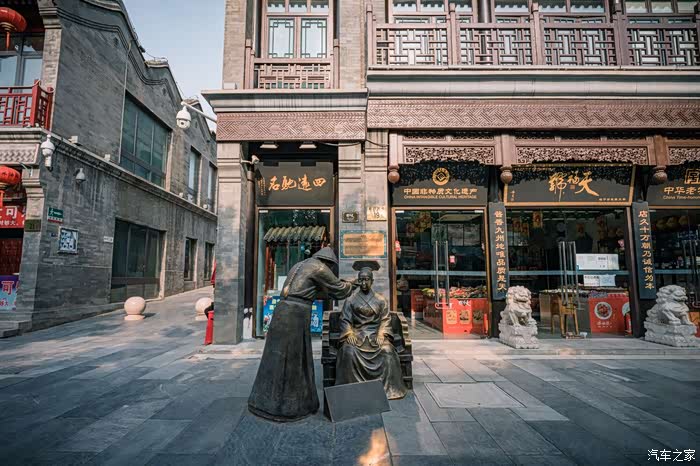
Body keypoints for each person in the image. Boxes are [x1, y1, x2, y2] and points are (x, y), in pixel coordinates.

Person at [248, 247, 355, 422]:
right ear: (329, 263)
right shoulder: (319, 268)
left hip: (281, 310)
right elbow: (340, 290)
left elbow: (316, 291)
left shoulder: (300, 264)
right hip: (295, 314)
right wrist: (352, 283)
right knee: (293, 359)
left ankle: (262, 402)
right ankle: (287, 408)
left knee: (274, 357)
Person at [335, 268, 407, 400]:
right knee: (348, 351)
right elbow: (345, 319)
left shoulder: (381, 299)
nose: (363, 283)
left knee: (387, 351)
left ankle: (389, 389)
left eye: (366, 280)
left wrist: (381, 333)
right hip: (358, 334)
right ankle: (352, 389)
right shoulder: (351, 300)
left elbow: (385, 319)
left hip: (375, 335)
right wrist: (349, 333)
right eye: (361, 280)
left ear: (372, 281)